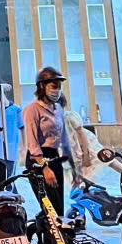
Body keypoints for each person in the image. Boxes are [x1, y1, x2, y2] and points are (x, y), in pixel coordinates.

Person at [22, 66, 79, 217]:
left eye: (59, 87)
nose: (57, 90)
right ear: (42, 86)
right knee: (50, 210)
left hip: (55, 157)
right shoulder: (32, 109)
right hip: (38, 160)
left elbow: (64, 140)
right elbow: (32, 143)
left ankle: (48, 231)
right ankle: (43, 230)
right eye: (54, 86)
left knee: (59, 210)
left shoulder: (58, 108)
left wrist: (74, 170)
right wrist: (44, 168)